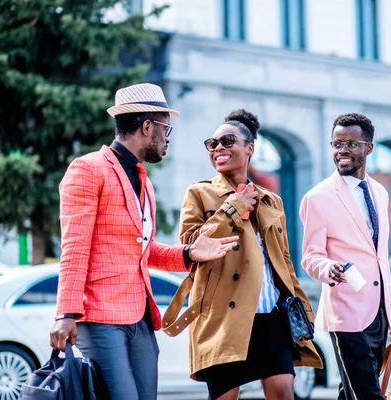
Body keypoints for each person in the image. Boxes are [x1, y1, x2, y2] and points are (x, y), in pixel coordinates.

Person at [49, 83, 239, 400]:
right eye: (166, 129)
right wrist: (65, 314)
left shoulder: (142, 180)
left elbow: (143, 250)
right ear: (147, 126)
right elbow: (74, 249)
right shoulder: (88, 169)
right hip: (99, 318)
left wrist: (191, 253)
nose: (167, 139)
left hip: (139, 317)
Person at [173, 109, 322, 400]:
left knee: (282, 392)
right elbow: (192, 246)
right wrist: (232, 207)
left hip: (271, 315)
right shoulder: (199, 194)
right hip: (223, 316)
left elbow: (283, 263)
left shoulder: (271, 200)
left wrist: (304, 312)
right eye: (212, 144)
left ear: (249, 147)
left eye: (227, 141)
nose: (218, 148)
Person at [299, 113, 391, 400]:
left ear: (368, 148)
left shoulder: (380, 192)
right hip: (346, 311)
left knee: (351, 392)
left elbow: (381, 261)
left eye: (350, 143)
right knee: (368, 393)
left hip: (379, 314)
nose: (342, 150)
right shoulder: (317, 197)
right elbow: (310, 255)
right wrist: (327, 267)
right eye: (336, 144)